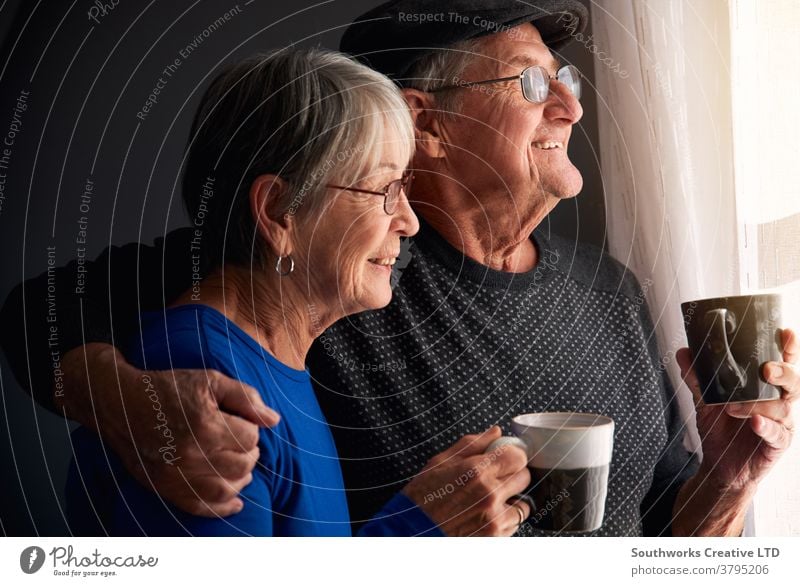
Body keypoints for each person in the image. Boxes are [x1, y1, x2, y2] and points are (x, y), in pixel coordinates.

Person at [2, 0, 796, 537]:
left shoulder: (611, 291)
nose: (570, 105)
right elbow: (43, 310)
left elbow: (659, 539)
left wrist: (731, 478)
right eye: (530, 79)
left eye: (570, 79)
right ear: (427, 123)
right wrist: (127, 398)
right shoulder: (332, 268)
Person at [60, 48, 531, 536]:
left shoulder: (273, 361)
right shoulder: (205, 389)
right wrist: (416, 534)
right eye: (384, 190)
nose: (409, 221)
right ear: (279, 211)